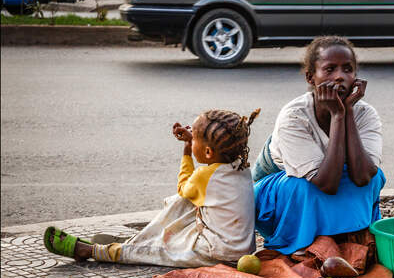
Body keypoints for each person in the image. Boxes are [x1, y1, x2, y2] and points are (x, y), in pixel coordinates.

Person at [44, 109, 260, 267]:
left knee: (154, 248)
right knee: (184, 204)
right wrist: (194, 142)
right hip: (240, 249)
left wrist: (186, 151)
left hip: (216, 253)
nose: (191, 140)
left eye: (194, 139)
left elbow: (183, 187)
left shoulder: (205, 176)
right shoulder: (240, 168)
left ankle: (94, 251)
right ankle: (144, 239)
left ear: (209, 153)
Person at [252, 36, 385, 255]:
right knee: (304, 186)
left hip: (326, 179)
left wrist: (347, 112)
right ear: (311, 77)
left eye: (347, 70)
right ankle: (300, 242)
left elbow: (363, 177)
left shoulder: (365, 113)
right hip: (279, 193)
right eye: (330, 69)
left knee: (374, 177)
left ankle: (346, 235)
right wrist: (337, 115)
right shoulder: (294, 116)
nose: (340, 77)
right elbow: (326, 183)